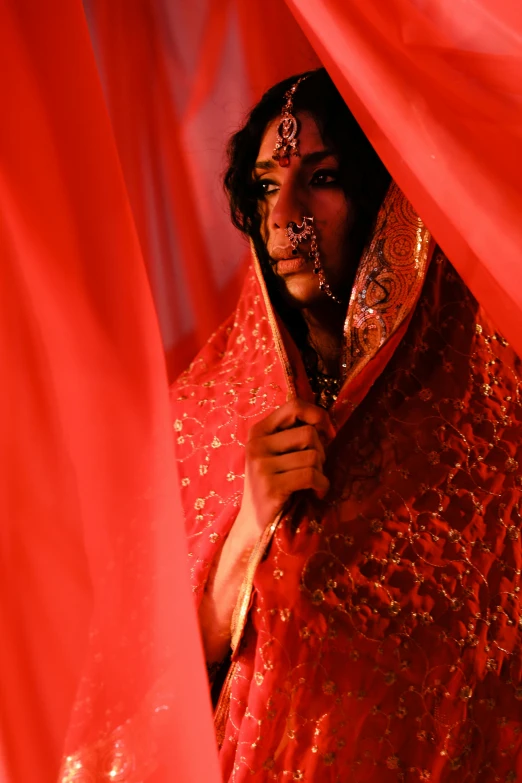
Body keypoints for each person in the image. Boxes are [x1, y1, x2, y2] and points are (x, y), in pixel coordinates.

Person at [171, 68, 522, 782]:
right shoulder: (203, 411)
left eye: (321, 178)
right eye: (267, 185)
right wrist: (250, 526)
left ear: (391, 200)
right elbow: (147, 672)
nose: (283, 216)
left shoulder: (492, 411)